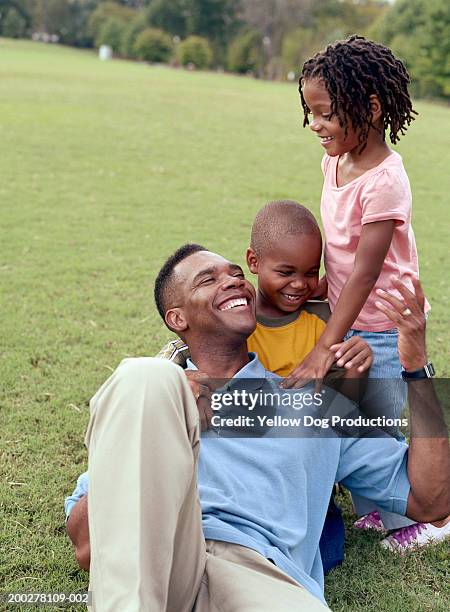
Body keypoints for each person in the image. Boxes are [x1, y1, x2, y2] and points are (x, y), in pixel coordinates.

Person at [65, 245, 450, 611]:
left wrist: (415, 367)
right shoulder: (155, 401)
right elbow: (87, 545)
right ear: (177, 318)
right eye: (208, 280)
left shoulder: (317, 404)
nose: (233, 281)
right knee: (143, 375)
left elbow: (431, 500)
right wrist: (166, 416)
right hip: (158, 561)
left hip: (263, 577)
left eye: (236, 274)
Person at [157, 201, 374, 572]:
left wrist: (356, 375)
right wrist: (172, 379)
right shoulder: (234, 323)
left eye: (310, 273)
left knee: (320, 550)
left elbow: (341, 414)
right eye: (286, 271)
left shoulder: (323, 328)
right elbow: (176, 360)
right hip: (241, 466)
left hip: (296, 463)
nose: (299, 284)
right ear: (255, 263)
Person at [290, 34, 444, 547]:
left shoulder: (385, 182)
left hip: (383, 327)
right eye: (310, 112)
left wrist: (323, 347)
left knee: (377, 423)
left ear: (371, 108)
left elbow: (365, 272)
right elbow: (339, 248)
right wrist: (315, 285)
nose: (315, 125)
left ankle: (429, 518)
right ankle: (379, 509)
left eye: (326, 113)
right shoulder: (335, 162)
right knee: (351, 417)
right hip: (347, 313)